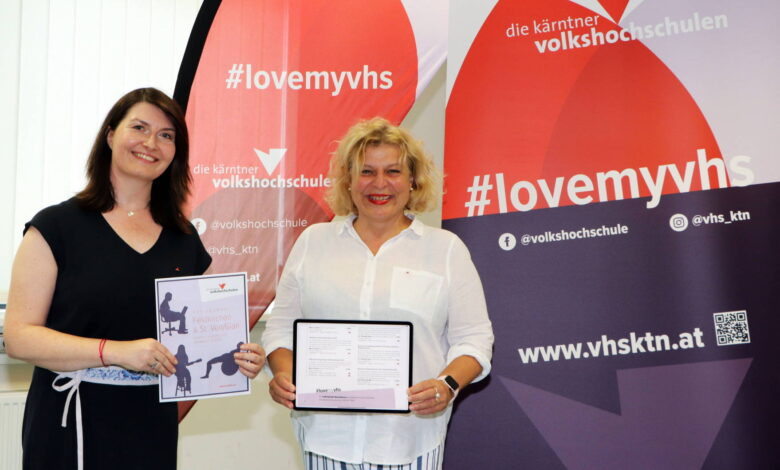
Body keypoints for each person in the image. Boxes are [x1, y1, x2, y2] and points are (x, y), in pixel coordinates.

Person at [3, 87, 265, 470]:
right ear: (110, 135)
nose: (151, 143)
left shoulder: (184, 238)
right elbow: (18, 337)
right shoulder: (56, 226)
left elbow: (199, 336)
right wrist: (116, 351)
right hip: (70, 419)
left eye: (166, 135)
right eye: (139, 127)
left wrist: (238, 355)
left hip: (150, 422)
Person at [262, 117, 494, 469]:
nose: (380, 183)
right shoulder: (313, 242)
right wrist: (285, 375)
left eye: (393, 171)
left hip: (411, 440)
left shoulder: (446, 250)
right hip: (326, 439)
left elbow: (475, 339)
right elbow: (281, 329)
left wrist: (447, 384)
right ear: (348, 180)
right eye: (366, 172)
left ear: (413, 180)